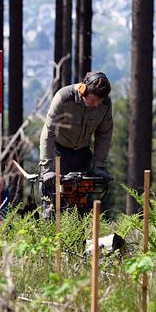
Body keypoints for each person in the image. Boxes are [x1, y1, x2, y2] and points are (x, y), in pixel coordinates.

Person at [39, 71, 113, 215]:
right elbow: (48, 133)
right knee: (52, 204)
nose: (97, 104)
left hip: (82, 155)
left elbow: (104, 135)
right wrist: (47, 169)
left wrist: (99, 165)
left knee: (81, 206)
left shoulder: (105, 104)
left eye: (100, 100)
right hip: (58, 153)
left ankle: (80, 237)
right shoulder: (63, 98)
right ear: (83, 90)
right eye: (94, 100)